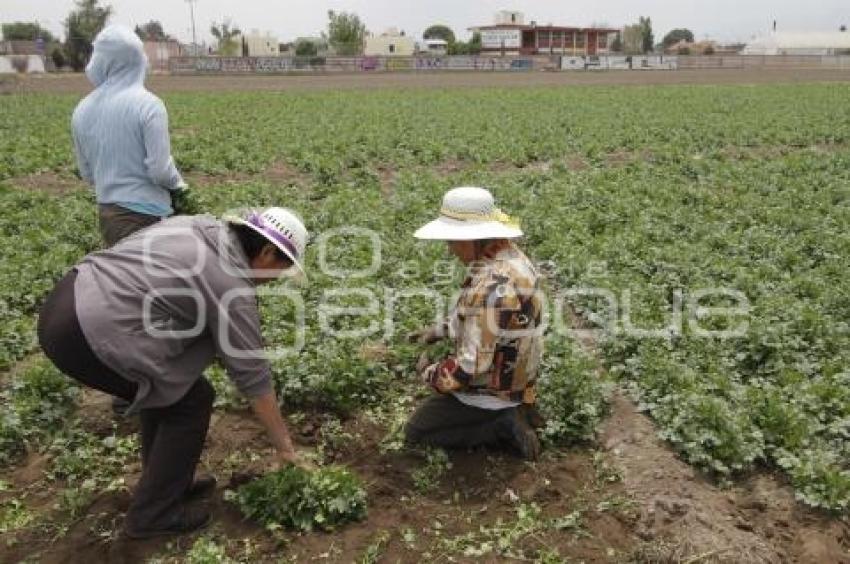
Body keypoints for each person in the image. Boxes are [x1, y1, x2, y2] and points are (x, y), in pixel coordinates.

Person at [38, 208, 308, 539]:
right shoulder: (230, 285)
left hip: (68, 299)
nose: (276, 281)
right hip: (86, 333)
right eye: (281, 270)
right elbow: (252, 375)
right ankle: (153, 515)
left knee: (172, 387)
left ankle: (166, 483)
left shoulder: (200, 226)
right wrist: (285, 449)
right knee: (189, 402)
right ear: (267, 252)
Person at [71, 25, 193, 415]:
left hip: (110, 214)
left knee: (125, 299)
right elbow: (159, 169)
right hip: (147, 217)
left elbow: (87, 174)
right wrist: (181, 187)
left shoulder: (83, 110)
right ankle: (149, 388)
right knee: (154, 304)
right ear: (137, 59)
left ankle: (131, 385)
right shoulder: (147, 104)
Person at [405, 187, 545, 461]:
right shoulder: (510, 256)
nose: (450, 249)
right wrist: (437, 332)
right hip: (519, 374)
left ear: (476, 238)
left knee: (416, 431)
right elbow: (476, 319)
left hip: (492, 391)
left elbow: (471, 366)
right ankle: (518, 408)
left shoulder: (491, 289)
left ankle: (500, 425)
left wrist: (429, 373)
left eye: (454, 241)